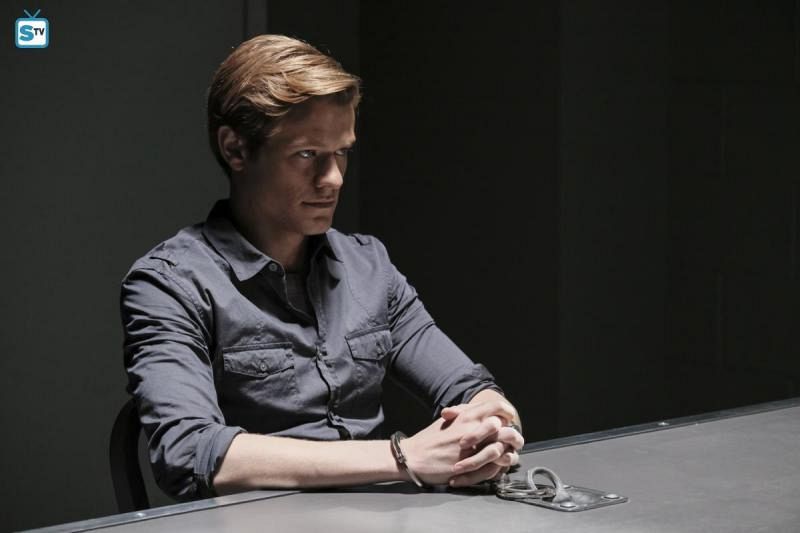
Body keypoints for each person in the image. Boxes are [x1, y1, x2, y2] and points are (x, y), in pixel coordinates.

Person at [120, 34, 523, 501]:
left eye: (342, 153)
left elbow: (467, 386)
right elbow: (188, 452)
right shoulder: (168, 284)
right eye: (307, 154)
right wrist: (403, 457)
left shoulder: (368, 266)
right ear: (235, 150)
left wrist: (491, 422)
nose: (332, 179)